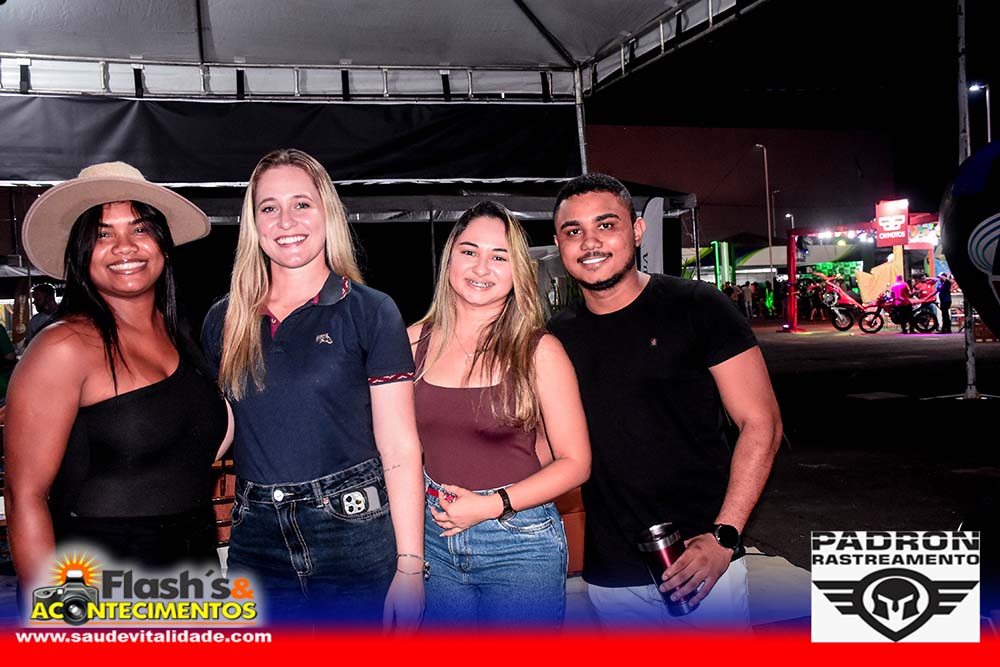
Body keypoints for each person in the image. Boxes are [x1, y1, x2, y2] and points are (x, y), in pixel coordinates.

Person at [201, 148, 424, 629]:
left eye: (301, 203)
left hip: (352, 529)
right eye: (269, 207)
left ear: (327, 212)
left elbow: (400, 446)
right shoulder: (224, 320)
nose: (286, 221)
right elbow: (227, 426)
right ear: (253, 222)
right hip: (255, 537)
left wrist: (410, 565)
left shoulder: (370, 310)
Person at [546, 174, 782, 629]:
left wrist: (724, 536)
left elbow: (762, 423)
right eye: (573, 231)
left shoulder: (698, 306)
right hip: (612, 573)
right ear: (559, 244)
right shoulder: (554, 338)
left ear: (637, 230)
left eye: (606, 225)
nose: (590, 242)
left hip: (704, 560)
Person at [3, 161, 233, 587]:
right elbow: (24, 497)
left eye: (140, 229)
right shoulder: (63, 347)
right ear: (80, 253)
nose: (125, 247)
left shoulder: (180, 334)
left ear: (163, 245)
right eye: (103, 234)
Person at [409, 201, 591, 626]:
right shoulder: (411, 342)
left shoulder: (540, 351)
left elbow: (576, 462)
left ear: (517, 271)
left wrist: (491, 505)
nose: (481, 268)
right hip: (433, 536)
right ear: (450, 258)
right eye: (470, 251)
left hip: (518, 541)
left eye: (499, 257)